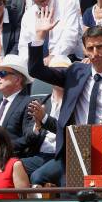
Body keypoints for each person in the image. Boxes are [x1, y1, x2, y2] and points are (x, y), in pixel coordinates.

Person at [28, 26, 102, 185]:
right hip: (75, 147)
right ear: (85, 50)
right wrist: (40, 36)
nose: (95, 52)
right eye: (90, 48)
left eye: (100, 46)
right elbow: (36, 70)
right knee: (70, 198)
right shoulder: (76, 71)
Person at [21, 55, 68, 184]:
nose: (59, 75)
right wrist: (37, 126)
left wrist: (45, 119)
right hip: (40, 154)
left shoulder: (75, 103)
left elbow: (69, 131)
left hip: (61, 155)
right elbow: (28, 138)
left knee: (37, 176)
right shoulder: (41, 103)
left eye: (63, 71)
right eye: (55, 71)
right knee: (12, 166)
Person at [18, 0, 82, 62]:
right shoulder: (28, 15)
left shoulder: (67, 5)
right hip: (37, 63)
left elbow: (70, 37)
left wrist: (53, 57)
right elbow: (23, 47)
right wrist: (30, 62)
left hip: (64, 58)